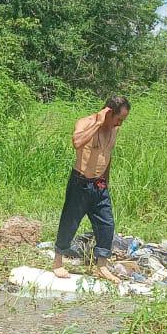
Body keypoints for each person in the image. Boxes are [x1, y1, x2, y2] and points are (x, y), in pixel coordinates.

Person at [52, 95, 131, 284]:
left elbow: (107, 155)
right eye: (118, 119)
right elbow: (77, 143)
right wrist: (98, 123)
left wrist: (106, 181)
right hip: (80, 183)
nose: (119, 124)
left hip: (99, 185)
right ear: (109, 113)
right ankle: (57, 262)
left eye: (123, 121)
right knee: (70, 221)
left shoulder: (114, 130)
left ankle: (102, 266)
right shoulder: (85, 123)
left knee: (107, 224)